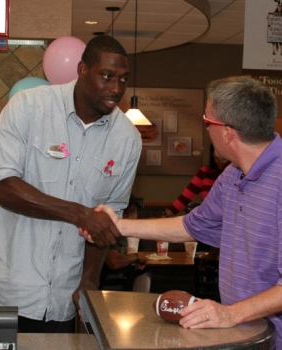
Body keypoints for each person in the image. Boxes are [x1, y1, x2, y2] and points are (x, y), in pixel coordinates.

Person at [0, 35, 142, 333]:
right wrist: (78, 213)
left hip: (61, 300)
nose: (116, 88)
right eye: (107, 76)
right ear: (82, 69)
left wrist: (89, 278)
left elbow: (107, 220)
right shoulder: (29, 106)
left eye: (124, 79)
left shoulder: (127, 139)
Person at [94, 76, 282, 349]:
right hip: (245, 334)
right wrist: (119, 226)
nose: (206, 129)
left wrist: (231, 312)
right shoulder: (231, 176)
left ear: (227, 133)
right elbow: (191, 226)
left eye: (208, 122)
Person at [100, 197, 151, 293]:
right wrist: (137, 256)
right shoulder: (107, 233)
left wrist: (138, 260)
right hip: (105, 289)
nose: (129, 217)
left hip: (126, 285)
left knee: (146, 274)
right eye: (125, 212)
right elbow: (114, 262)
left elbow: (140, 259)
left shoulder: (135, 235)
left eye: (133, 211)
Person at [166, 144, 230, 217]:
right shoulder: (205, 172)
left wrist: (226, 166)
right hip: (208, 220)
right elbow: (185, 197)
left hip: (229, 221)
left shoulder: (236, 172)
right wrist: (166, 215)